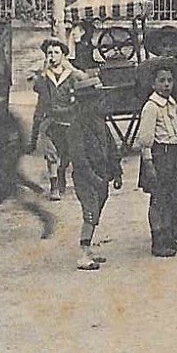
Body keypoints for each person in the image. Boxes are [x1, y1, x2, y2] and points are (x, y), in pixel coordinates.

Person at [0, 107, 53, 240]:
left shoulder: (4, 118)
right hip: (3, 160)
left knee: (1, 192)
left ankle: (46, 218)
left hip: (5, 161)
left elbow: (10, 144)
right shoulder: (2, 117)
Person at [68, 77, 122, 270]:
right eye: (96, 101)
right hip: (87, 178)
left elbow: (112, 147)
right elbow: (79, 158)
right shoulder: (77, 126)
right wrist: (93, 178)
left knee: (96, 211)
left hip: (102, 175)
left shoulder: (100, 122)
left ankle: (88, 247)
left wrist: (117, 172)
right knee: (90, 212)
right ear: (85, 103)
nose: (101, 104)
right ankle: (83, 254)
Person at [137, 65, 177, 258]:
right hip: (159, 155)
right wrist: (149, 163)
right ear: (153, 84)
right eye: (162, 80)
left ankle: (168, 236)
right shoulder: (151, 107)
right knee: (158, 199)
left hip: (173, 153)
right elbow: (145, 139)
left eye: (169, 80)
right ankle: (157, 241)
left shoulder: (172, 104)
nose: (166, 84)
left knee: (171, 196)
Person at [28, 38, 86, 202]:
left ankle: (61, 173)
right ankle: (54, 186)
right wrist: (42, 72)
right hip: (50, 119)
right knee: (51, 152)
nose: (52, 56)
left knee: (67, 155)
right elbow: (37, 87)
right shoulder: (45, 77)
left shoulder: (72, 75)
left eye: (56, 53)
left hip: (68, 119)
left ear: (63, 56)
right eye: (49, 53)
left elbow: (86, 82)